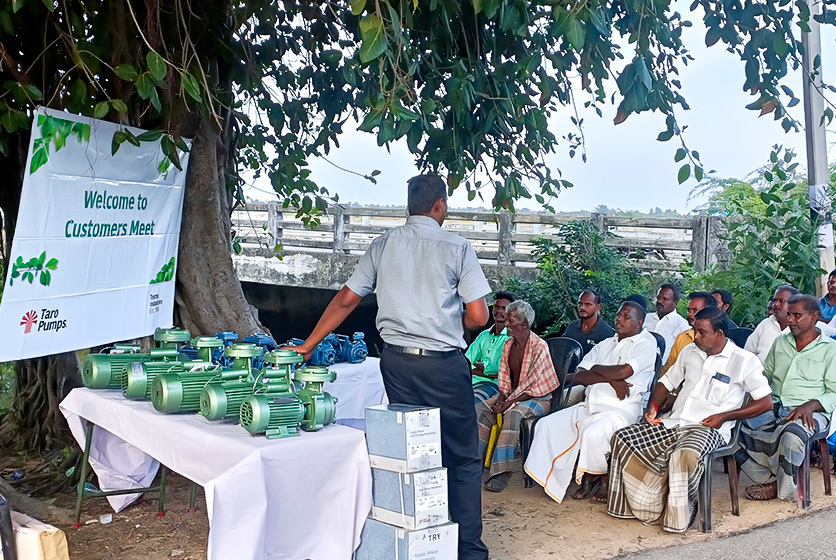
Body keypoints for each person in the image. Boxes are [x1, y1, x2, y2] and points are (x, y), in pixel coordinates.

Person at [283, 175, 491, 559]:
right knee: (461, 457)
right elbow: (479, 316)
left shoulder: (383, 245)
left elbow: (346, 300)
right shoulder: (458, 247)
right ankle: (467, 551)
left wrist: (309, 345)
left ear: (409, 206)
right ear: (440, 206)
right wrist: (448, 322)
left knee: (411, 452)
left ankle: (418, 540)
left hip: (395, 364)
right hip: (442, 366)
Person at [607, 307, 772, 532]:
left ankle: (680, 513)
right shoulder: (689, 352)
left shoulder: (744, 361)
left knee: (685, 455)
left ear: (720, 334)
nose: (696, 337)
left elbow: (765, 403)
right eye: (695, 330)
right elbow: (666, 382)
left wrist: (725, 416)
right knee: (623, 438)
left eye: (702, 332)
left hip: (708, 429)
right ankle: (644, 506)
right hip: (674, 422)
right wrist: (653, 406)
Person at [524, 301, 657, 504]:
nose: (619, 319)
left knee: (594, 432)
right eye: (619, 314)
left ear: (639, 322)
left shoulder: (645, 343)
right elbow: (579, 375)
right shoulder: (606, 343)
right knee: (545, 425)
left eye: (626, 316)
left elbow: (625, 371)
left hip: (620, 410)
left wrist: (599, 370)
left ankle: (594, 477)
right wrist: (612, 379)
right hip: (591, 405)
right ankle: (556, 478)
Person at [735, 294, 836, 502]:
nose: (790, 320)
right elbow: (766, 377)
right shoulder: (781, 342)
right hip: (776, 405)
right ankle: (770, 478)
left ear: (814, 316)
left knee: (792, 436)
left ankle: (784, 489)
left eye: (797, 315)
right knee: (730, 428)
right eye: (789, 315)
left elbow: (834, 391)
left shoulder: (830, 350)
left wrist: (811, 405)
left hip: (812, 412)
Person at [476, 300, 558, 492]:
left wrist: (508, 404)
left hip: (539, 398)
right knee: (480, 410)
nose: (506, 324)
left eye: (511, 320)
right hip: (514, 396)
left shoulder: (540, 346)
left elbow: (534, 387)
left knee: (513, 415)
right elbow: (504, 377)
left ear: (524, 324)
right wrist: (500, 399)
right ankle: (474, 463)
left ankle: (501, 472)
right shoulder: (508, 345)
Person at [467, 291, 516, 403]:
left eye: (504, 308)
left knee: (471, 402)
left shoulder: (512, 338)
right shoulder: (484, 335)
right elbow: (466, 361)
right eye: (497, 307)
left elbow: (500, 371)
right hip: (470, 382)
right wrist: (483, 371)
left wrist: (480, 368)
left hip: (494, 386)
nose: (499, 311)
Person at [661, 291, 718, 375]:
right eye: (689, 310)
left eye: (695, 310)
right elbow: (668, 370)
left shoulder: (718, 341)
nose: (690, 315)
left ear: (709, 312)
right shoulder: (682, 337)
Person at [745, 284, 799, 363]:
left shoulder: (803, 328)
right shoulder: (765, 324)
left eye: (781, 301)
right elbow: (747, 353)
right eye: (775, 300)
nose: (776, 304)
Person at [644, 283, 689, 362]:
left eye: (665, 299)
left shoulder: (682, 325)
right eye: (658, 298)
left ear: (675, 303)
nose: (659, 301)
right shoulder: (646, 318)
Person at [563, 289, 615, 356]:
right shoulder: (571, 327)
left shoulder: (606, 332)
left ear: (598, 307)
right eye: (580, 304)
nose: (582, 307)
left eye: (588, 304)